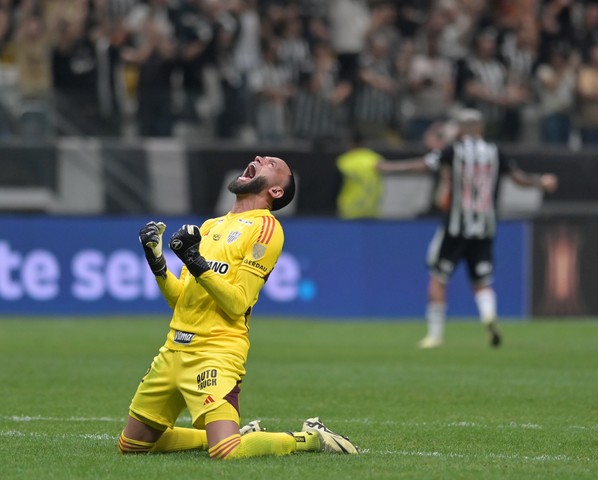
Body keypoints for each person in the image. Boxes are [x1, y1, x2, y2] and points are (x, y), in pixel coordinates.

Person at [118, 155, 359, 458]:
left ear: (276, 192)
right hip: (173, 350)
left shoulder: (266, 229)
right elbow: (181, 300)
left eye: (271, 164)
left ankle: (311, 438)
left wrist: (195, 261)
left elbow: (238, 303)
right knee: (132, 446)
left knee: (226, 452)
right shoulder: (210, 226)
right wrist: (158, 263)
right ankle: (229, 435)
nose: (259, 158)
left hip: (216, 349)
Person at [377, 110, 558, 349]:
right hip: (485, 227)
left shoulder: (454, 151)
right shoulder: (495, 152)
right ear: (481, 128)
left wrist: (388, 168)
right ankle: (488, 316)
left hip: (456, 226)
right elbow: (518, 179)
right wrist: (540, 182)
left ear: (461, 129)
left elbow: (423, 165)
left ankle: (435, 335)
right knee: (481, 282)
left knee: (438, 279)